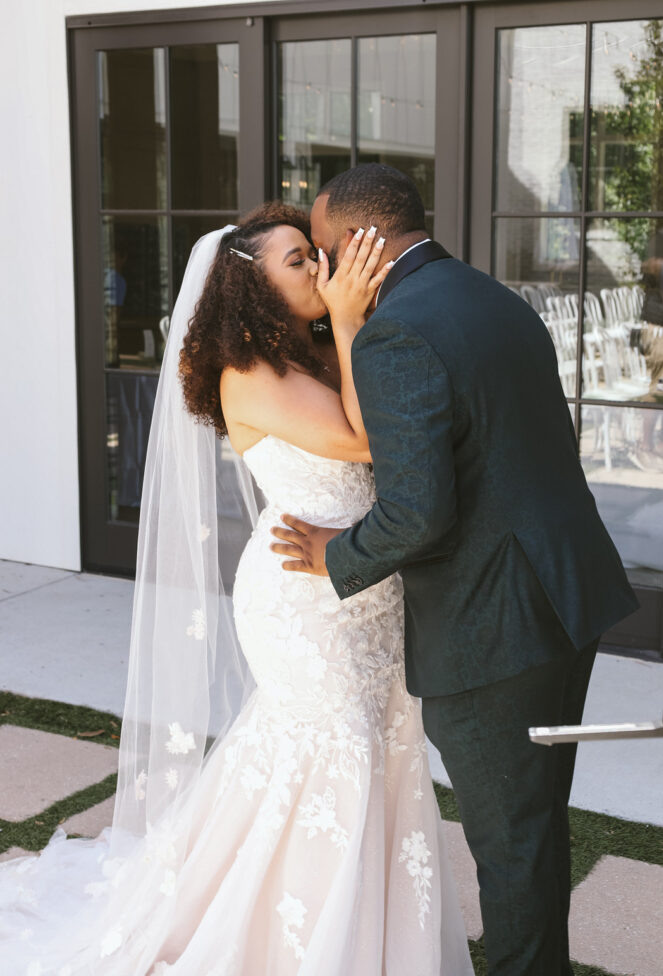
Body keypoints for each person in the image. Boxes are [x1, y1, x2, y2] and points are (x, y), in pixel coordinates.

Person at [0, 202, 474, 975]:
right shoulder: (247, 375)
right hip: (302, 593)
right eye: (299, 260)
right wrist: (353, 321)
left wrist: (348, 330)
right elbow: (363, 438)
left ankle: (371, 931)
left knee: (373, 750)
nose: (319, 269)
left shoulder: (314, 360)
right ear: (250, 287)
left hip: (364, 589)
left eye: (313, 255)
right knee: (332, 753)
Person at [271, 164, 640, 976]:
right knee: (534, 822)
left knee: (510, 840)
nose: (324, 270)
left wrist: (335, 552)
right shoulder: (492, 297)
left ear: (357, 245)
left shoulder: (397, 332)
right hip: (559, 593)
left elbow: (415, 514)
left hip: (495, 620)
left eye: (325, 251)